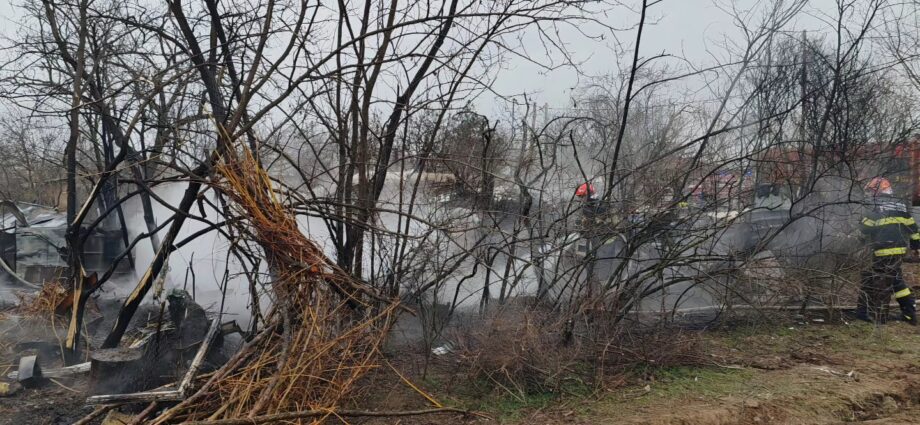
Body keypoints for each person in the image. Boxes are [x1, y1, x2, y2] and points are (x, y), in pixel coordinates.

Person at [857, 177, 920, 324]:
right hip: (899, 250)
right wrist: (916, 247)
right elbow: (913, 228)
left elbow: (865, 228)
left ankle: (879, 317)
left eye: (872, 191)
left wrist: (859, 236)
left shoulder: (876, 205)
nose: (870, 194)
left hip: (882, 250)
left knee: (881, 282)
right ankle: (909, 312)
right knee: (896, 279)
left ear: (878, 191)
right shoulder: (901, 205)